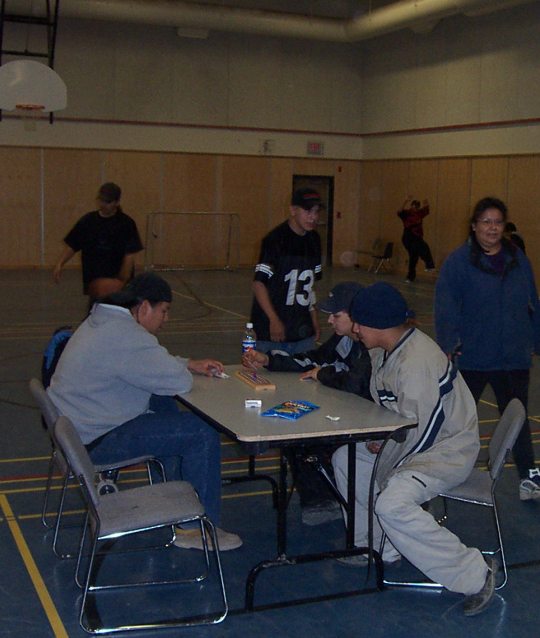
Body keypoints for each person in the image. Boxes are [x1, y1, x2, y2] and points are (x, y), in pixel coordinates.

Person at [332, 281, 499, 617]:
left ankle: (475, 573)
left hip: (445, 451)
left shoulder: (416, 362)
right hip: (417, 441)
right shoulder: (385, 349)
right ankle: (379, 546)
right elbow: (402, 416)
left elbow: (424, 433)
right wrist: (383, 440)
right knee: (346, 459)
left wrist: (390, 470)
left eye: (359, 322)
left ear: (378, 325)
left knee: (392, 502)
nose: (355, 329)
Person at [48, 272, 242, 550]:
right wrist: (184, 369)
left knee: (162, 402)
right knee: (201, 431)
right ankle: (197, 528)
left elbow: (143, 364)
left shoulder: (104, 322)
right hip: (94, 442)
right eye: (164, 311)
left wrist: (186, 362)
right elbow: (177, 381)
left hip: (79, 430)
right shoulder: (126, 335)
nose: (166, 319)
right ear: (144, 308)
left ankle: (176, 500)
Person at [434, 197, 540, 501]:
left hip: (513, 358)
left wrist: (535, 339)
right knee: (459, 420)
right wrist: (449, 343)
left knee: (518, 417)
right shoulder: (458, 262)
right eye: (485, 222)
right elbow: (445, 305)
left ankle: (529, 477)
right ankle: (442, 472)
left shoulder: (518, 259)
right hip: (472, 357)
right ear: (473, 226)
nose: (492, 227)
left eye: (497, 222)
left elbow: (531, 301)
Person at [243, 281, 371, 525]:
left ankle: (328, 494)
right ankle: (320, 498)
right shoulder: (343, 339)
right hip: (343, 410)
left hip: (364, 422)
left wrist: (323, 374)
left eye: (336, 315)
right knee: (289, 426)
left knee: (305, 437)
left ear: (357, 317)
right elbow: (314, 360)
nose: (330, 322)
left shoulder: (371, 344)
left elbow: (357, 383)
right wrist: (269, 360)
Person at [250, 187, 323, 355]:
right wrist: (273, 319)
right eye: (307, 211)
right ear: (292, 210)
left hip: (301, 330)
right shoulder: (275, 240)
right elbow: (259, 284)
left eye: (316, 211)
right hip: (272, 333)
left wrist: (314, 320)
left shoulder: (314, 240)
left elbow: (310, 287)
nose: (313, 217)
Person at [52, 182, 144, 302]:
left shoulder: (126, 224)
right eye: (101, 201)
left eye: (108, 202)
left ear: (117, 202)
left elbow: (130, 254)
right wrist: (60, 264)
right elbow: (73, 244)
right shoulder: (88, 221)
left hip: (117, 286)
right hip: (95, 284)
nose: (103, 205)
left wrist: (122, 280)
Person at [397, 197, 436, 282]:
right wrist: (405, 201)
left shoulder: (419, 213)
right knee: (424, 247)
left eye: (417, 206)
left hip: (416, 237)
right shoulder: (407, 213)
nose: (415, 208)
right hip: (409, 236)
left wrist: (427, 205)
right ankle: (429, 265)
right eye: (414, 206)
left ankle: (410, 277)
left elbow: (426, 210)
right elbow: (400, 212)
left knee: (414, 256)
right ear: (411, 206)